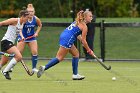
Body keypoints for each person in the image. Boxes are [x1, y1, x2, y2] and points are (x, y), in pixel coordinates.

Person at [37, 10, 95, 80]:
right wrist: (89, 50)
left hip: (64, 36)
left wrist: (83, 42)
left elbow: (78, 36)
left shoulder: (78, 21)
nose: (92, 17)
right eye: (90, 16)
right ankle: (44, 67)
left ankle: (75, 75)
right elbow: (84, 40)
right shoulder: (84, 26)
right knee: (59, 57)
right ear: (85, 17)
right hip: (68, 39)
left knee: (76, 54)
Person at [0, 9, 29, 80]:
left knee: (3, 62)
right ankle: (5, 71)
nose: (27, 19)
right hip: (6, 41)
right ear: (22, 16)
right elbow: (1, 23)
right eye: (27, 17)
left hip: (9, 42)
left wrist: (22, 37)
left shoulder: (22, 23)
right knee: (18, 56)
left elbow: (19, 30)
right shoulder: (14, 20)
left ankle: (4, 70)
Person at [17, 4, 42, 73]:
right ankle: (11, 67)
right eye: (29, 11)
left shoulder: (36, 19)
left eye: (32, 11)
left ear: (34, 12)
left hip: (32, 38)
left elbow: (40, 25)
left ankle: (34, 68)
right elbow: (19, 29)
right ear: (26, 12)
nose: (31, 13)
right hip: (23, 37)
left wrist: (36, 32)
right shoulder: (24, 19)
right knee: (18, 53)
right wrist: (22, 37)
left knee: (35, 52)